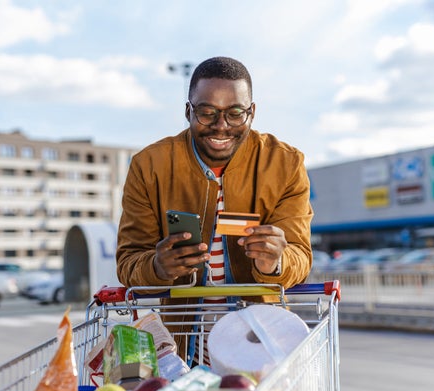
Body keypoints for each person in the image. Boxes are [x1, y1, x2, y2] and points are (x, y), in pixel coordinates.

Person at [116, 56, 313, 362]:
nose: (221, 127)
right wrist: (157, 267)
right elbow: (128, 261)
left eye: (236, 113)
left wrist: (275, 261)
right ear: (188, 111)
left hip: (260, 345)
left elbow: (300, 255)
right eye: (207, 113)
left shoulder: (285, 164)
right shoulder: (149, 166)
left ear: (252, 112)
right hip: (183, 348)